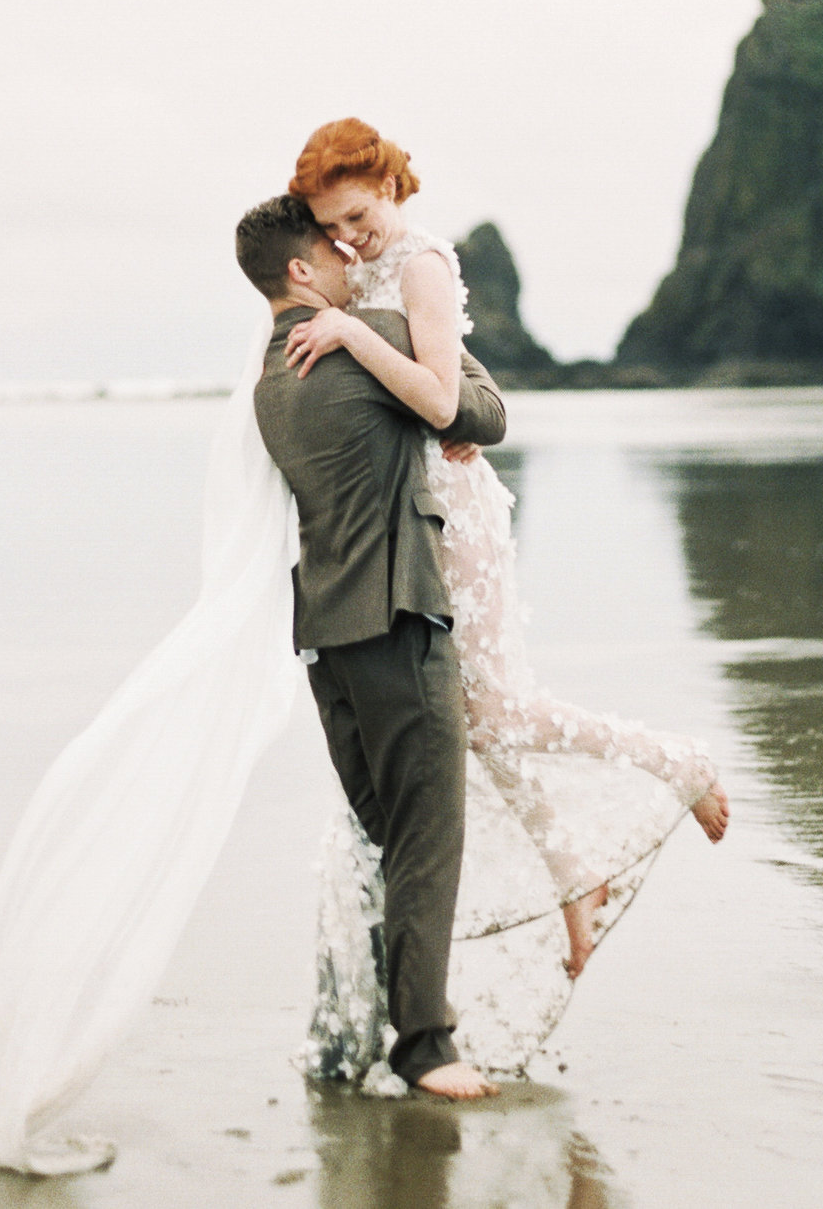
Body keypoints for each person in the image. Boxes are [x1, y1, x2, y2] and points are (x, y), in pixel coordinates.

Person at [280, 119, 731, 985]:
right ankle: (576, 878)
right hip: (411, 519)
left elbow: (445, 400)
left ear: (391, 183)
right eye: (333, 224)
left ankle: (678, 763)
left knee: (500, 712)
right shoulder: (367, 270)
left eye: (359, 212)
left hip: (457, 517)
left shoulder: (421, 265)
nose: (349, 234)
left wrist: (349, 336)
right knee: (479, 725)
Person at [240, 192, 513, 1102]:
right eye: (334, 245)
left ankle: (353, 1027)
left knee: (380, 841)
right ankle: (425, 1044)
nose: (355, 254)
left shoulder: (268, 384)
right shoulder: (371, 335)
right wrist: (378, 335)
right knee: (427, 836)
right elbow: (482, 410)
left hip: (327, 640)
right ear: (301, 272)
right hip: (398, 620)